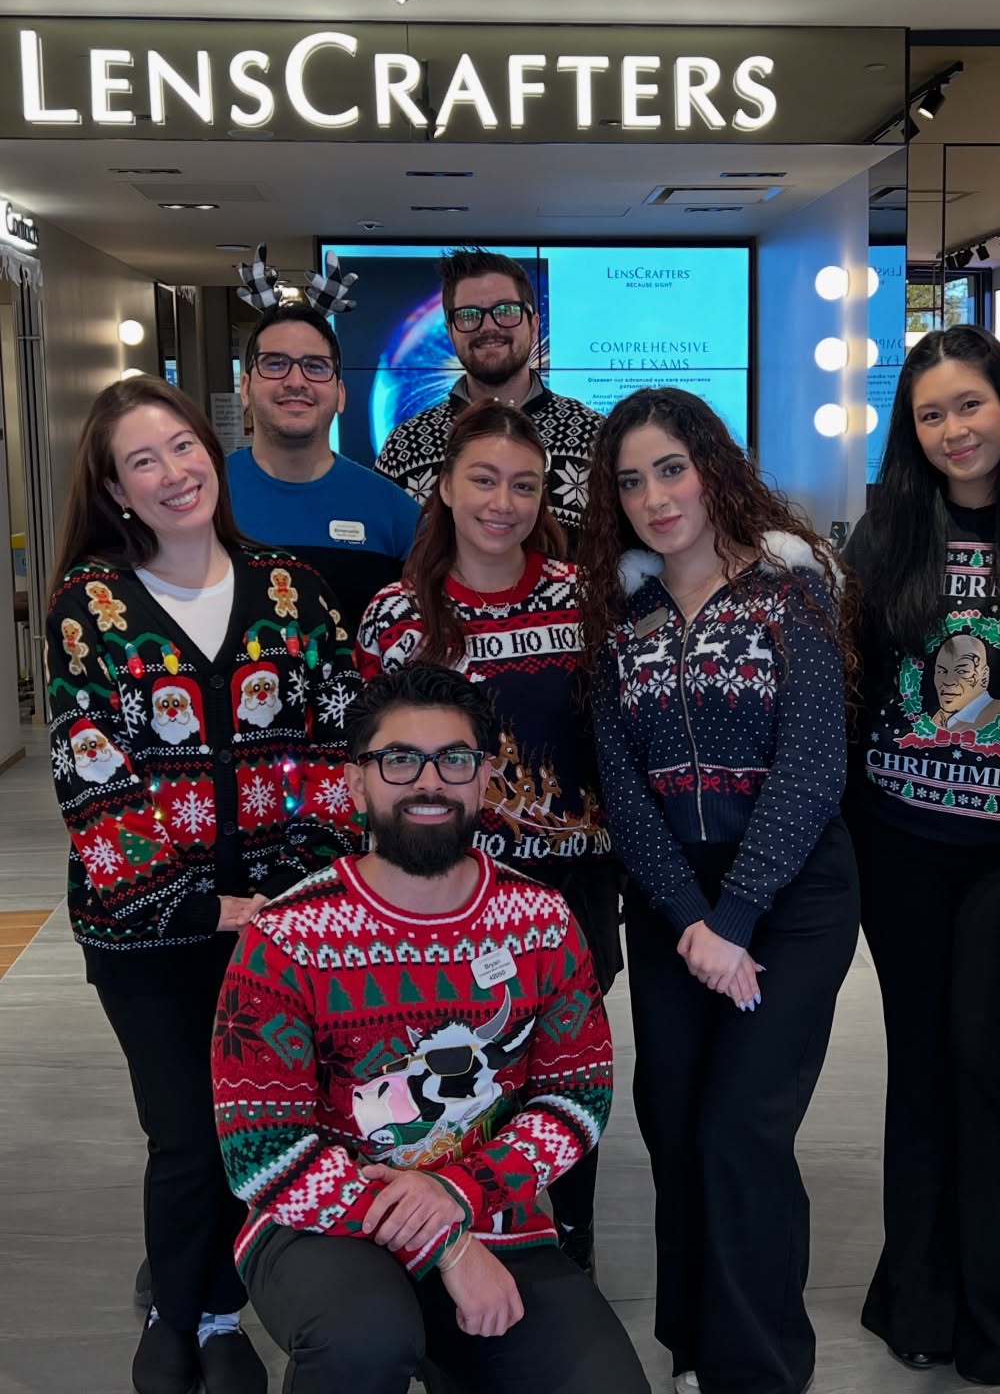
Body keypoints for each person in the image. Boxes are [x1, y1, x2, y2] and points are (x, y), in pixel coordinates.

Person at [44, 376, 362, 1394]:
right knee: (183, 1130)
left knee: (260, 1122)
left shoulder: (292, 588)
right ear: (114, 488)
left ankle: (230, 1308)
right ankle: (179, 1311)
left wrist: (304, 883)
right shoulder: (86, 608)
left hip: (285, 919)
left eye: (183, 448)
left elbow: (337, 741)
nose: (173, 474)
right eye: (144, 461)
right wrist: (198, 904)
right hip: (147, 929)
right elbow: (91, 769)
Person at [212, 665, 649, 1394]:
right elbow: (263, 1152)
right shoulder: (285, 937)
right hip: (318, 1224)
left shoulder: (541, 921)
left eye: (454, 759)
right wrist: (446, 1241)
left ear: (483, 780)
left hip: (491, 1212)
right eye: (398, 759)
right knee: (365, 1339)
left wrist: (460, 1193)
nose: (428, 781)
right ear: (357, 784)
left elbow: (576, 1099)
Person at [581, 386, 861, 1394]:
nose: (655, 496)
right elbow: (619, 782)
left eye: (671, 468)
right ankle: (697, 1345)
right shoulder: (621, 609)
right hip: (673, 905)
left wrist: (736, 918)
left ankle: (760, 1370)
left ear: (711, 467)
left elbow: (814, 763)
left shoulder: (794, 591)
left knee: (744, 1128)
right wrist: (693, 921)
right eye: (630, 480)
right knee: (676, 1115)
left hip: (790, 899)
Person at [842, 325, 1000, 1383]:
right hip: (899, 841)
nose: (951, 431)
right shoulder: (890, 528)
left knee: (986, 1060)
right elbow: (857, 681)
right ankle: (919, 1299)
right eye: (930, 414)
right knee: (920, 1066)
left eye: (968, 406)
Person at [357, 400, 622, 1278]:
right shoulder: (397, 613)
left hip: (565, 895)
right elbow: (369, 764)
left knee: (557, 1074)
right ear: (444, 486)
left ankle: (563, 1249)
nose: (502, 501)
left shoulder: (581, 597)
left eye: (523, 484)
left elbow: (614, 740)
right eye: (483, 479)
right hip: (442, 892)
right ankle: (449, 1244)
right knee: (461, 1074)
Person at [374, 248, 601, 545]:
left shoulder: (593, 435)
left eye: (505, 311)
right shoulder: (406, 445)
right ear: (451, 331)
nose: (489, 326)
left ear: (533, 326)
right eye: (469, 316)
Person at [228, 302, 420, 629]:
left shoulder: (395, 514)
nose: (295, 381)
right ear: (246, 388)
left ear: (340, 394)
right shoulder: (204, 497)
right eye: (275, 364)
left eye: (315, 367)